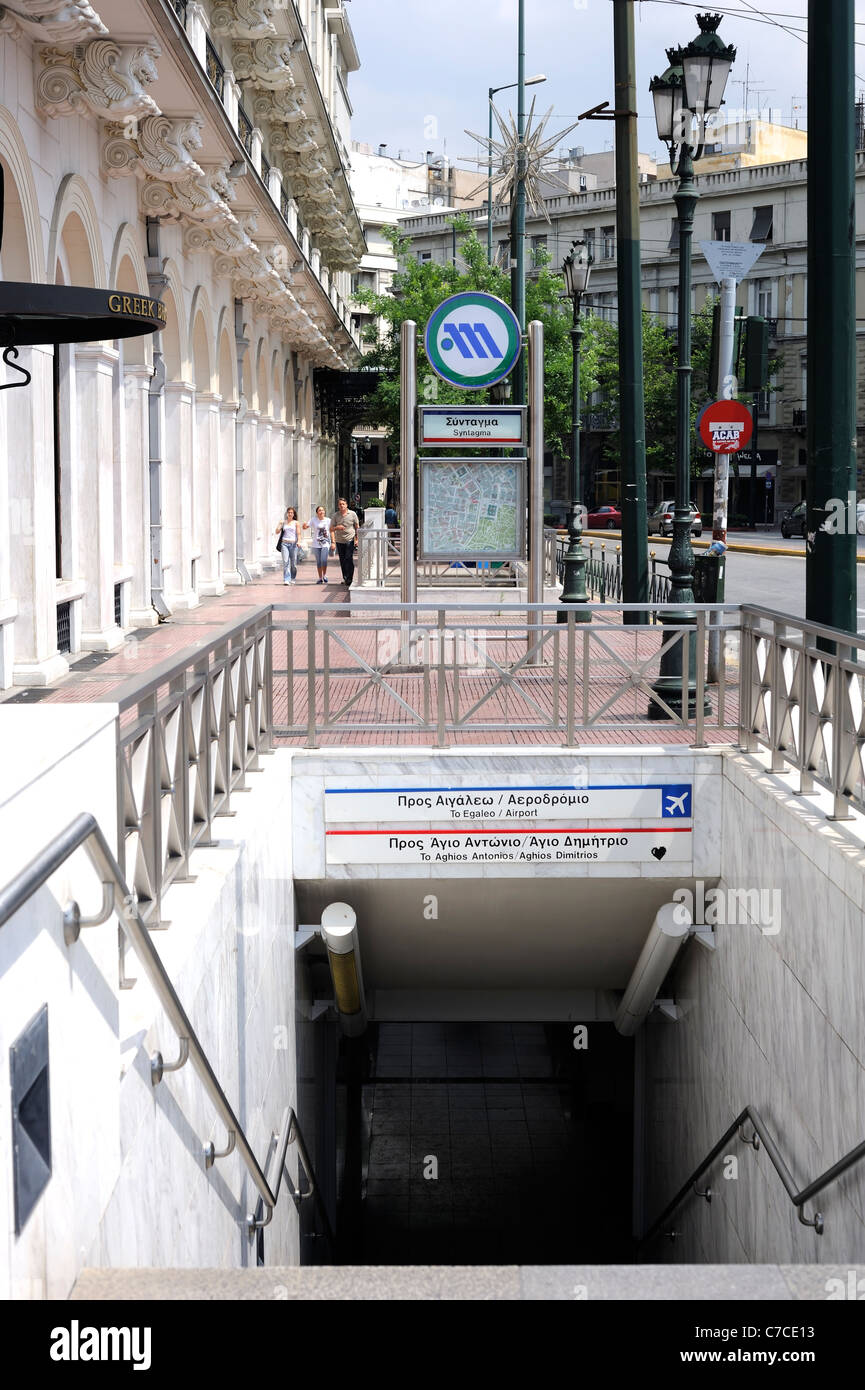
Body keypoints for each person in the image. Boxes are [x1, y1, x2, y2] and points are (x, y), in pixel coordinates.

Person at [330, 496, 360, 587]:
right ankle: (346, 578)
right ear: (338, 506)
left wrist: (357, 539)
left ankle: (350, 578)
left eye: (343, 504)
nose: (342, 505)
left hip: (350, 540)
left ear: (346, 505)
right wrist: (336, 528)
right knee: (342, 560)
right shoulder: (335, 515)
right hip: (339, 541)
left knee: (348, 558)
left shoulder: (352, 514)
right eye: (340, 504)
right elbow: (331, 529)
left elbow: (357, 527)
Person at [303, 505, 332, 583]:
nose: (321, 512)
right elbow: (305, 527)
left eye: (322, 510)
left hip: (325, 543)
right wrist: (304, 525)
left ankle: (324, 575)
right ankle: (320, 578)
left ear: (324, 512)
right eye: (319, 510)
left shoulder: (328, 520)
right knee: (319, 562)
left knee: (324, 560)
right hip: (316, 544)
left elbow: (332, 530)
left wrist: (333, 542)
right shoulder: (313, 520)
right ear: (317, 512)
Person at [275, 506, 299, 585]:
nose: (290, 514)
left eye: (291, 513)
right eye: (289, 513)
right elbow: (277, 532)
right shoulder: (283, 522)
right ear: (287, 514)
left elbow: (298, 533)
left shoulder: (296, 522)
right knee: (286, 562)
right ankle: (286, 579)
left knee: (293, 563)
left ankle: (293, 578)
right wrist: (279, 524)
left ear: (293, 514)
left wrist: (299, 541)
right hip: (284, 544)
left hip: (293, 544)